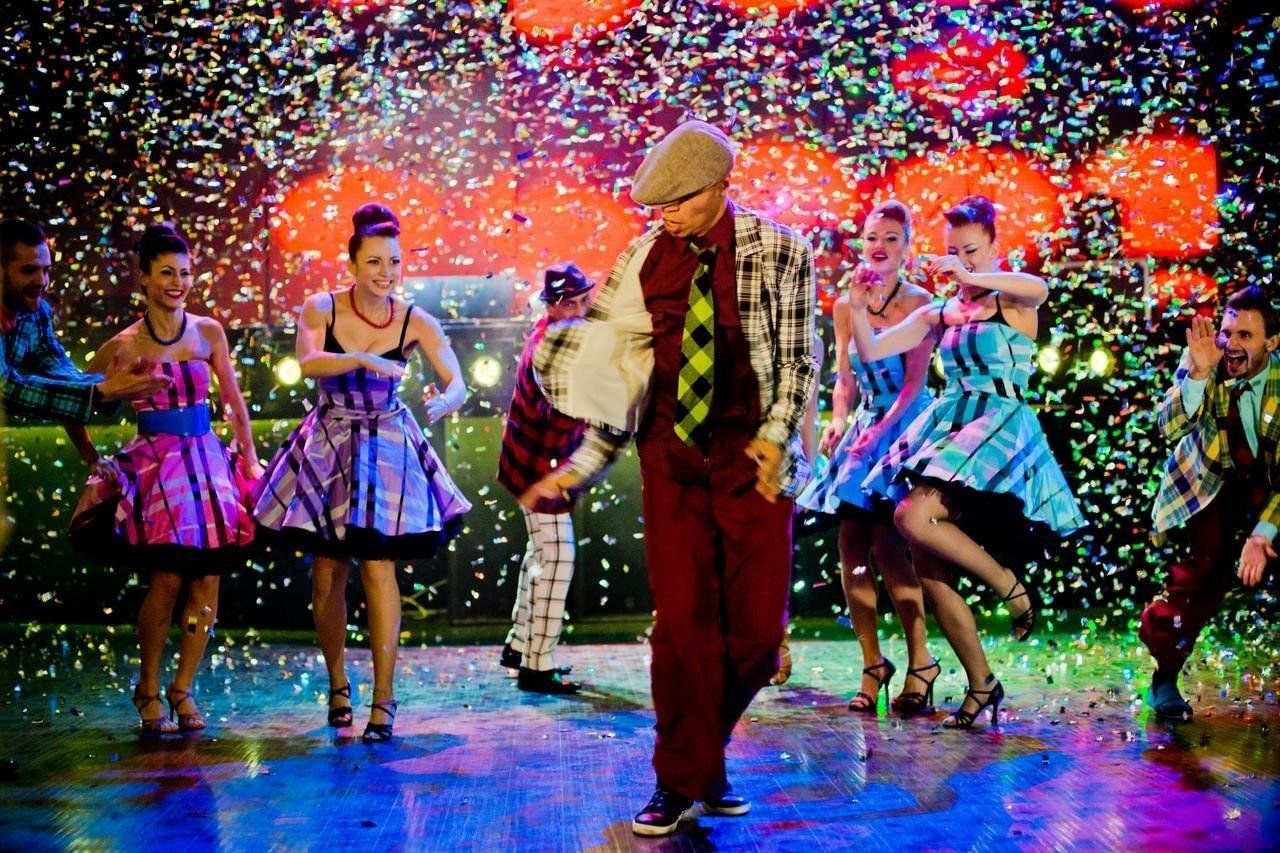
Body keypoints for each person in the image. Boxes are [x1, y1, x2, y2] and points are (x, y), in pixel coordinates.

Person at [525, 120, 817, 836]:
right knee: (683, 630)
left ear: (721, 186)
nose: (668, 215)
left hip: (754, 464)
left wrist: (776, 436)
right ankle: (678, 777)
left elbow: (798, 360)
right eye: (660, 204)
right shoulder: (642, 257)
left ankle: (698, 765)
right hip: (673, 462)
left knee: (757, 637)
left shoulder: (781, 250)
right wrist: (578, 470)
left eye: (681, 200)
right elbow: (614, 379)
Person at [856, 195, 1085, 729]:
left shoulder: (1013, 301)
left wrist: (975, 275)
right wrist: (859, 305)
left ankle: (1011, 586)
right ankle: (982, 682)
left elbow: (1040, 288)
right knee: (927, 565)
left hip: (999, 432)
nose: (960, 261)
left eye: (972, 251)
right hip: (950, 427)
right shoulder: (944, 311)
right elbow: (874, 349)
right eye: (953, 252)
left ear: (994, 247)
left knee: (912, 515)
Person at [254, 203, 471, 743]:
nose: (386, 272)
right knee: (328, 572)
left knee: (379, 567)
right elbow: (308, 362)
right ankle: (337, 685)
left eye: (394, 261)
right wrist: (365, 360)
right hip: (329, 442)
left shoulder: (414, 318)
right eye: (374, 261)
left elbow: (457, 379)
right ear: (352, 264)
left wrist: (447, 400)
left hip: (387, 446)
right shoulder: (321, 307)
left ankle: (384, 699)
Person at [69, 223, 262, 735]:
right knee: (168, 578)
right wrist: (92, 458)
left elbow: (234, 403)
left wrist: (248, 457)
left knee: (208, 580)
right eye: (167, 273)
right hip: (158, 470)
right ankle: (149, 687)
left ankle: (183, 687)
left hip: (207, 466)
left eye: (185, 273)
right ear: (144, 278)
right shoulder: (123, 345)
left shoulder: (208, 332)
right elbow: (75, 403)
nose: (178, 282)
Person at [795, 200, 937, 714]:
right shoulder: (845, 304)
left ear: (907, 247)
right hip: (864, 427)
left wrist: (878, 433)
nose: (879, 246)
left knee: (888, 546)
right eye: (873, 237)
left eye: (891, 238)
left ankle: (921, 661)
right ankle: (873, 662)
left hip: (905, 427)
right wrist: (838, 420)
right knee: (850, 547)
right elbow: (844, 378)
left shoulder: (922, 302)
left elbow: (914, 385)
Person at [1144, 286, 1279, 721]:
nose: (1231, 345)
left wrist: (1262, 534)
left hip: (1269, 490)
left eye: (1245, 336)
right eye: (1227, 333)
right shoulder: (1205, 359)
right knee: (1199, 578)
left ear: (1271, 343)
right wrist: (1199, 376)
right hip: (1211, 487)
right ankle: (1165, 678)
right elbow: (1166, 428)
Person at [496, 262, 595, 695]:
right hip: (538, 469)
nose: (579, 310)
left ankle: (520, 646)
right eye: (569, 304)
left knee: (542, 553)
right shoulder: (550, 348)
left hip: (534, 464)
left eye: (583, 300)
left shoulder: (560, 336)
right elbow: (566, 411)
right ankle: (537, 666)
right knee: (557, 558)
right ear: (552, 307)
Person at [1, 218, 170, 426]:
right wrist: (101, 391)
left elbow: (57, 368)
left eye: (46, 270)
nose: (42, 281)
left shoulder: (36, 312)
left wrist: (107, 384)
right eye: (29, 271)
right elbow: (5, 390)